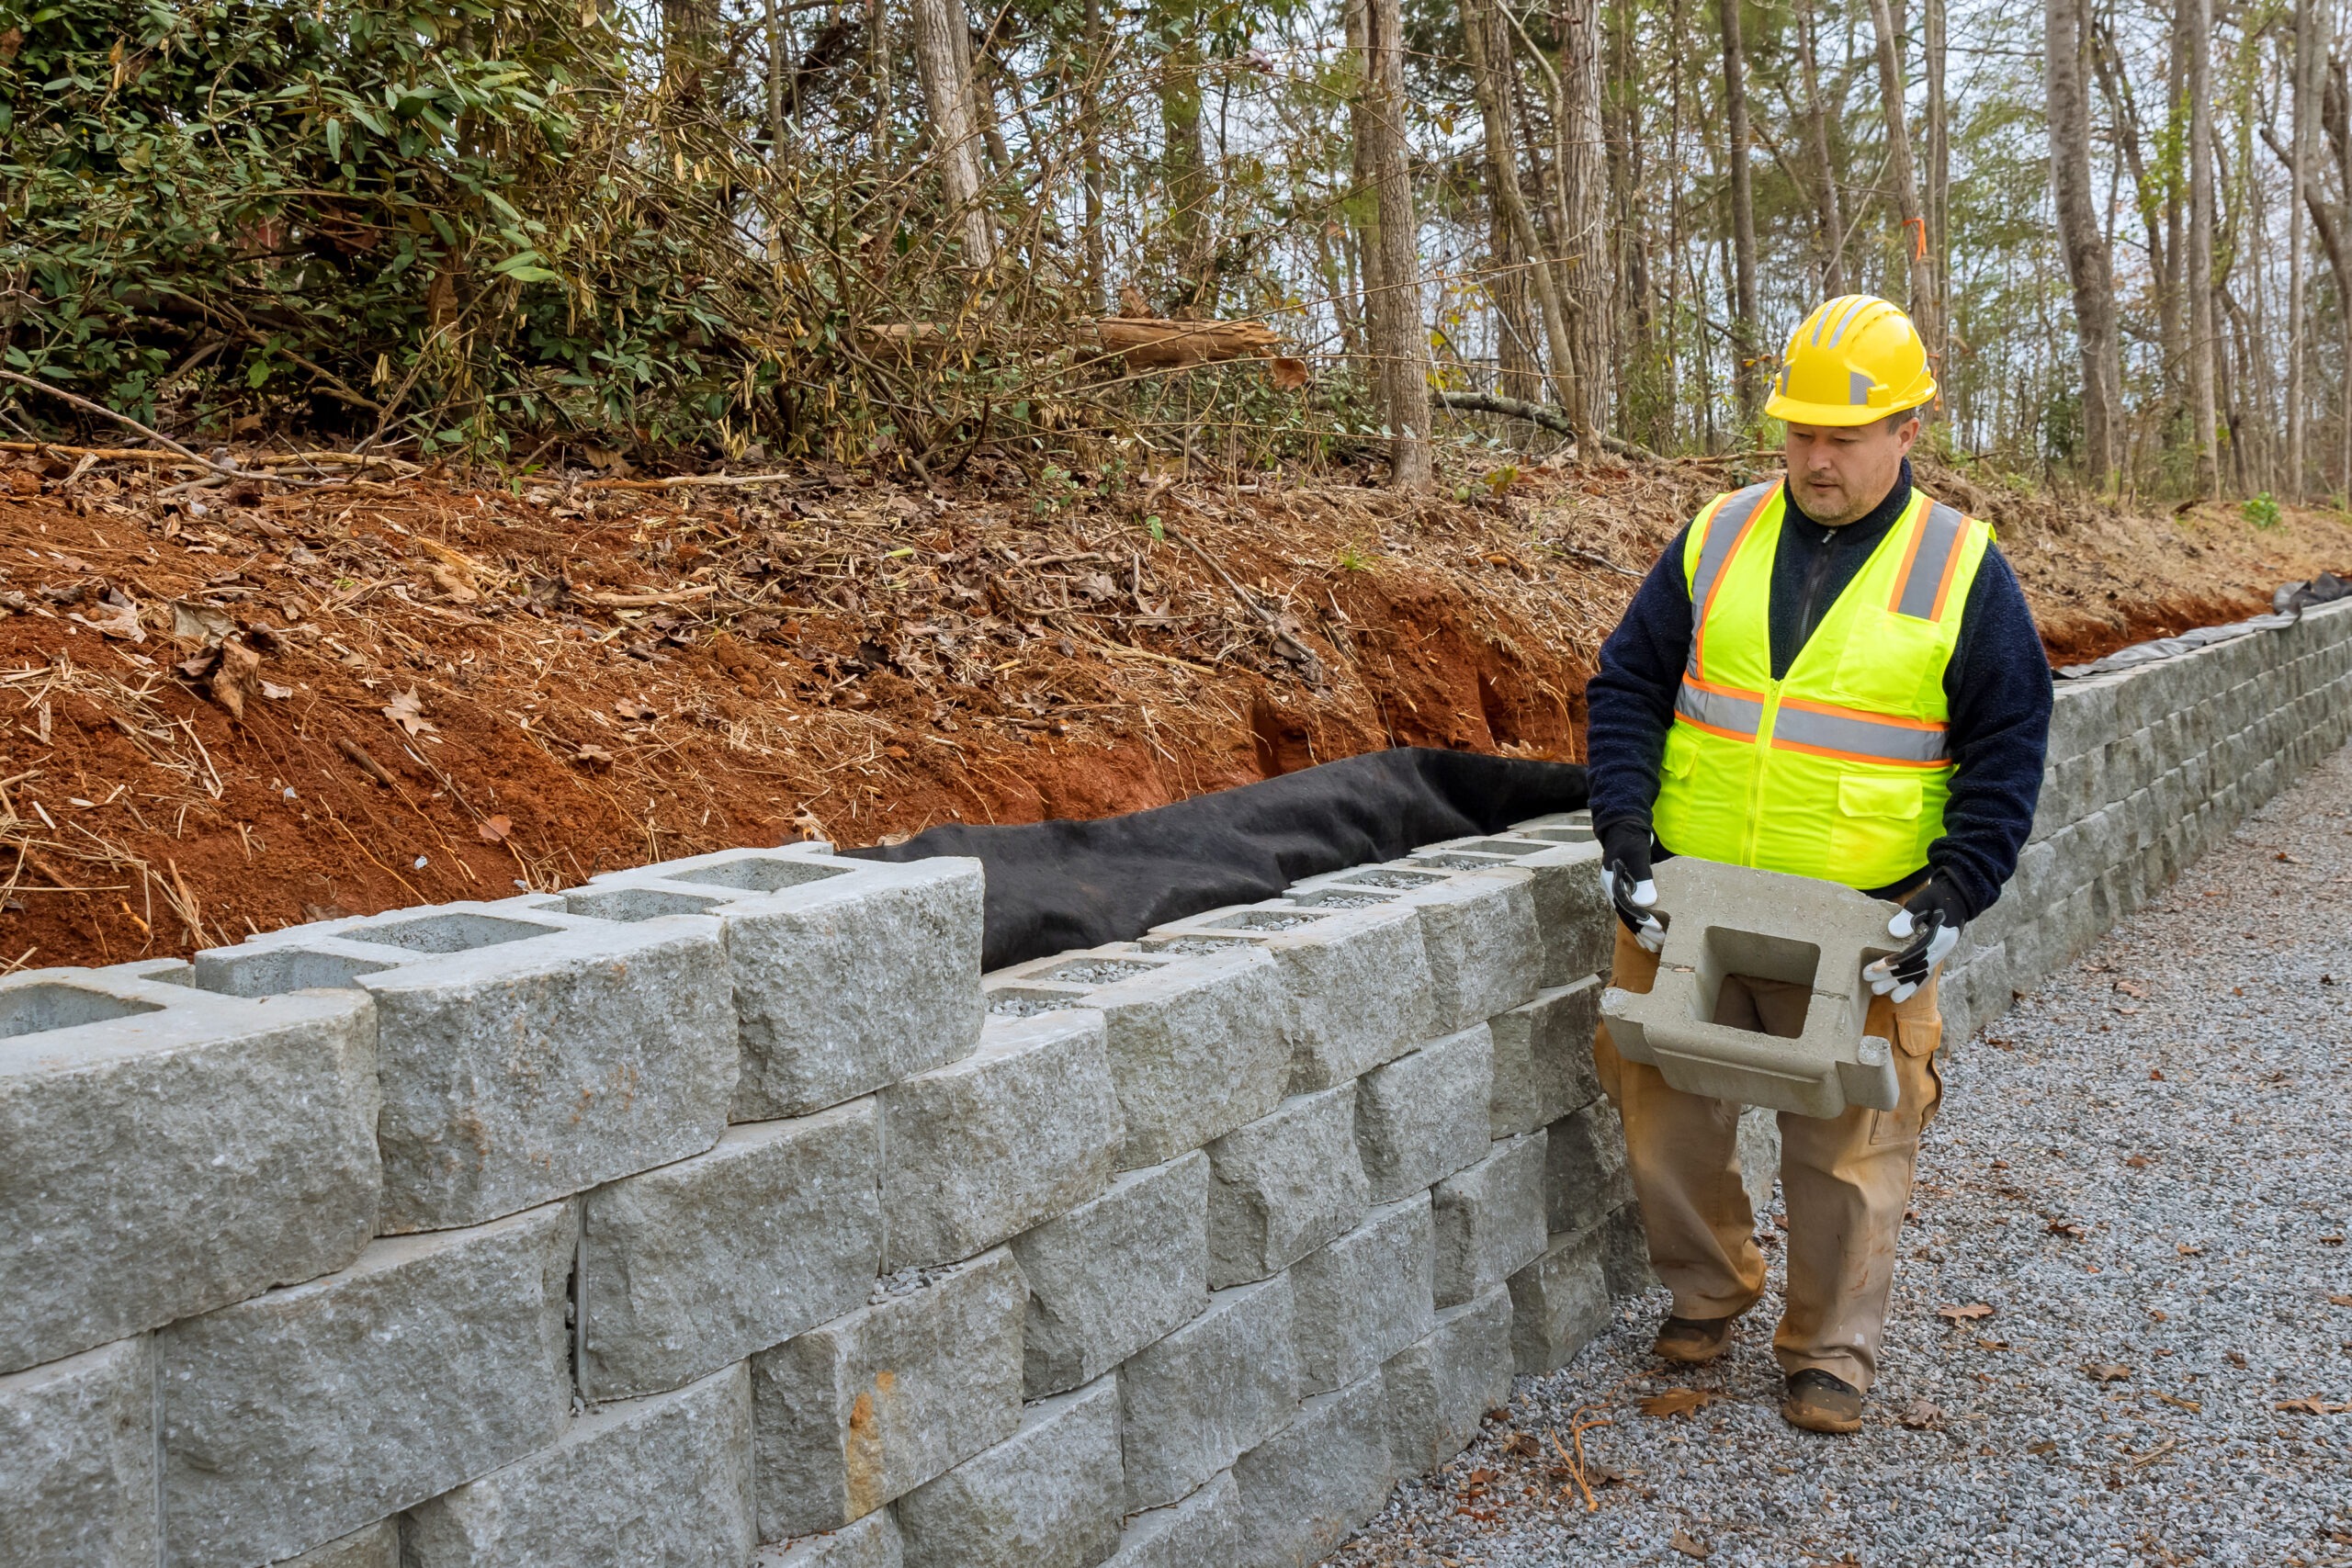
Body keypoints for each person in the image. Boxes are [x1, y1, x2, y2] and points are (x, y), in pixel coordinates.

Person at [1582, 295, 2052, 1434]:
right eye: (1799, 433)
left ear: (1905, 431)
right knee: (1661, 1105)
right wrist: (1625, 838)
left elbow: (2007, 743)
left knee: (1850, 1141)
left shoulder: (1959, 569)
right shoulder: (1717, 534)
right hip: (1691, 898)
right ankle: (1707, 1293)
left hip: (1864, 912)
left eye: (1844, 436)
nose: (1816, 458)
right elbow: (1628, 688)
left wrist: (1952, 897)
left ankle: (1828, 1348)